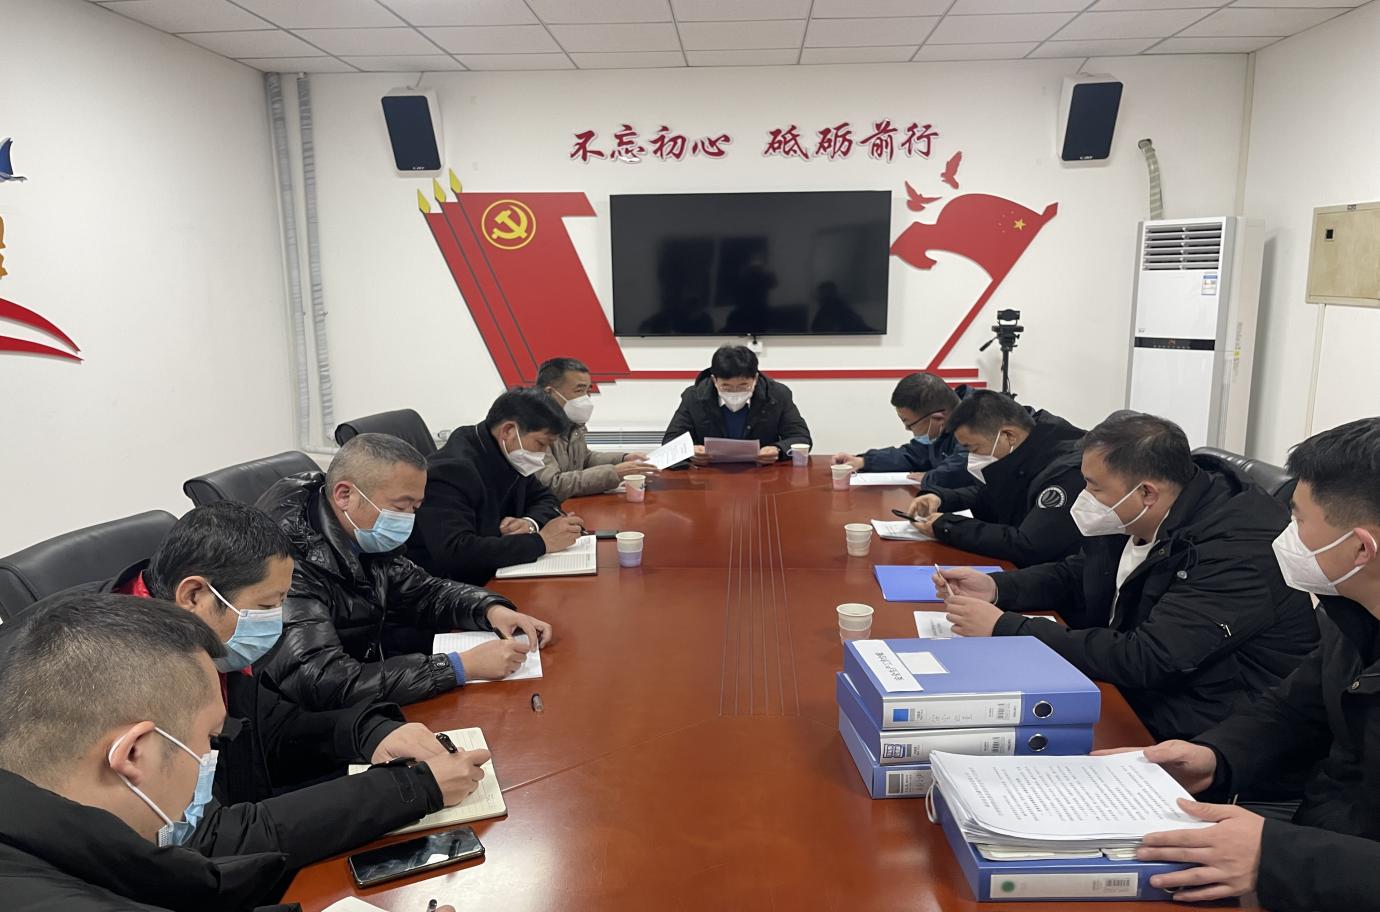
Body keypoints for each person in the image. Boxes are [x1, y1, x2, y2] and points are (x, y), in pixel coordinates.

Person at [1100, 418, 1380, 911]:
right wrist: (1213, 757)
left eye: (1298, 520)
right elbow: (1294, 708)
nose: (1285, 536)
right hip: (1312, 859)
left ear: (1360, 547)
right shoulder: (1353, 613)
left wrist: (1276, 857)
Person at [17, 501, 468, 806]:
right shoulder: (119, 668)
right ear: (195, 595)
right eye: (267, 606)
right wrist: (404, 792)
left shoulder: (204, 636)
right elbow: (208, 837)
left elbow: (272, 726)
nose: (277, 620)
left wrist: (371, 732)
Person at [937, 411, 1319, 745]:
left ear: (1147, 492)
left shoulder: (1237, 550)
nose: (1084, 497)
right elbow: (1077, 572)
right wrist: (998, 587)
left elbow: (1147, 657)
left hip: (1201, 728)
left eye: (1094, 487)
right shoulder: (1138, 514)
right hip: (1136, 692)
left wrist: (1007, 627)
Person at [257, 432, 552, 711]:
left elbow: (421, 591)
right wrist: (458, 667)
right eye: (401, 507)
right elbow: (323, 680)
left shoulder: (361, 530)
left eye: (416, 507)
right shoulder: (284, 564)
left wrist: (489, 609)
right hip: (310, 720)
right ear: (345, 495)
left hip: (369, 682)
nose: (409, 519)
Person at [409, 388, 585, 585]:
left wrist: (529, 523)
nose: (543, 454)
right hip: (447, 587)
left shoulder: (508, 452)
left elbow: (545, 497)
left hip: (497, 571)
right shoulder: (450, 471)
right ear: (508, 431)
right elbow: (456, 551)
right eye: (541, 443)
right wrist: (542, 542)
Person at [902, 390, 1086, 567]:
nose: (971, 458)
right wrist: (941, 498)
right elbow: (992, 494)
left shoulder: (1066, 473)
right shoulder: (1026, 449)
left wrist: (948, 527)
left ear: (1008, 436)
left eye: (973, 449)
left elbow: (1028, 544)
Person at [663, 344, 812, 466]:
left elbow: (801, 437)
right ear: (714, 380)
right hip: (709, 475)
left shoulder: (777, 394)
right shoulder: (694, 396)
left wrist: (778, 450)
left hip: (763, 472)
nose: (735, 392)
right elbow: (670, 440)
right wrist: (690, 451)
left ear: (755, 378)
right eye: (726, 387)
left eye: (743, 386)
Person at [534, 356, 657, 499]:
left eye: (588, 391)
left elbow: (584, 459)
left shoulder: (572, 424)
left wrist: (624, 458)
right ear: (549, 393)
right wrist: (613, 473)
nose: (586, 398)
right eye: (579, 391)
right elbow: (553, 485)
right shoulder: (532, 431)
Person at [832, 371, 972, 489]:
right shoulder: (942, 425)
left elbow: (964, 465)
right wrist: (865, 461)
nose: (906, 429)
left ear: (938, 417)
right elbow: (914, 455)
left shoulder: (977, 423)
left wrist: (932, 477)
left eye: (910, 424)